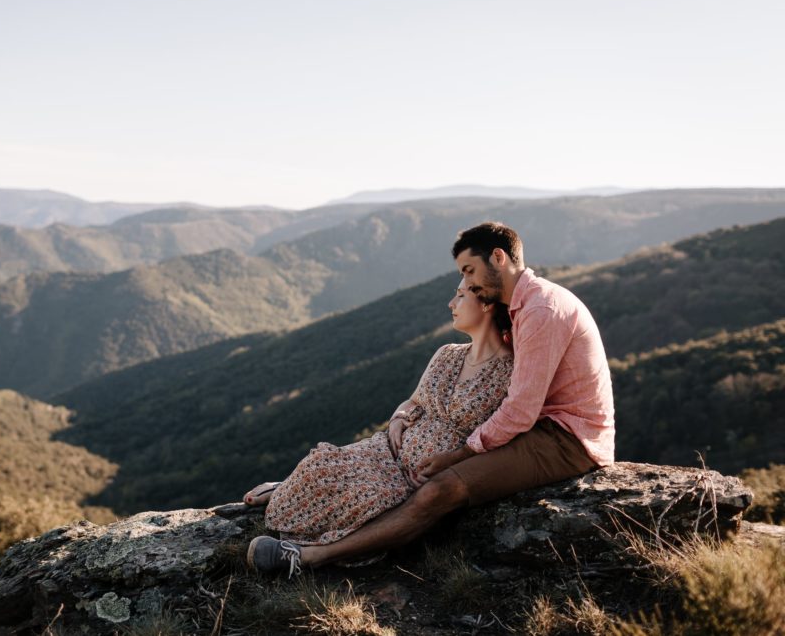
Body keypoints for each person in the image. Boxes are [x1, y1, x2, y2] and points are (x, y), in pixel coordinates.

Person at [248, 221, 615, 576]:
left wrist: (458, 456)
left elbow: (519, 410)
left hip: (567, 438)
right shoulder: (521, 311)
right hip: (539, 425)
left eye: (470, 271)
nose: (466, 283)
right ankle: (303, 495)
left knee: (442, 488)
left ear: (499, 258)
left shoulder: (541, 310)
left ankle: (311, 557)